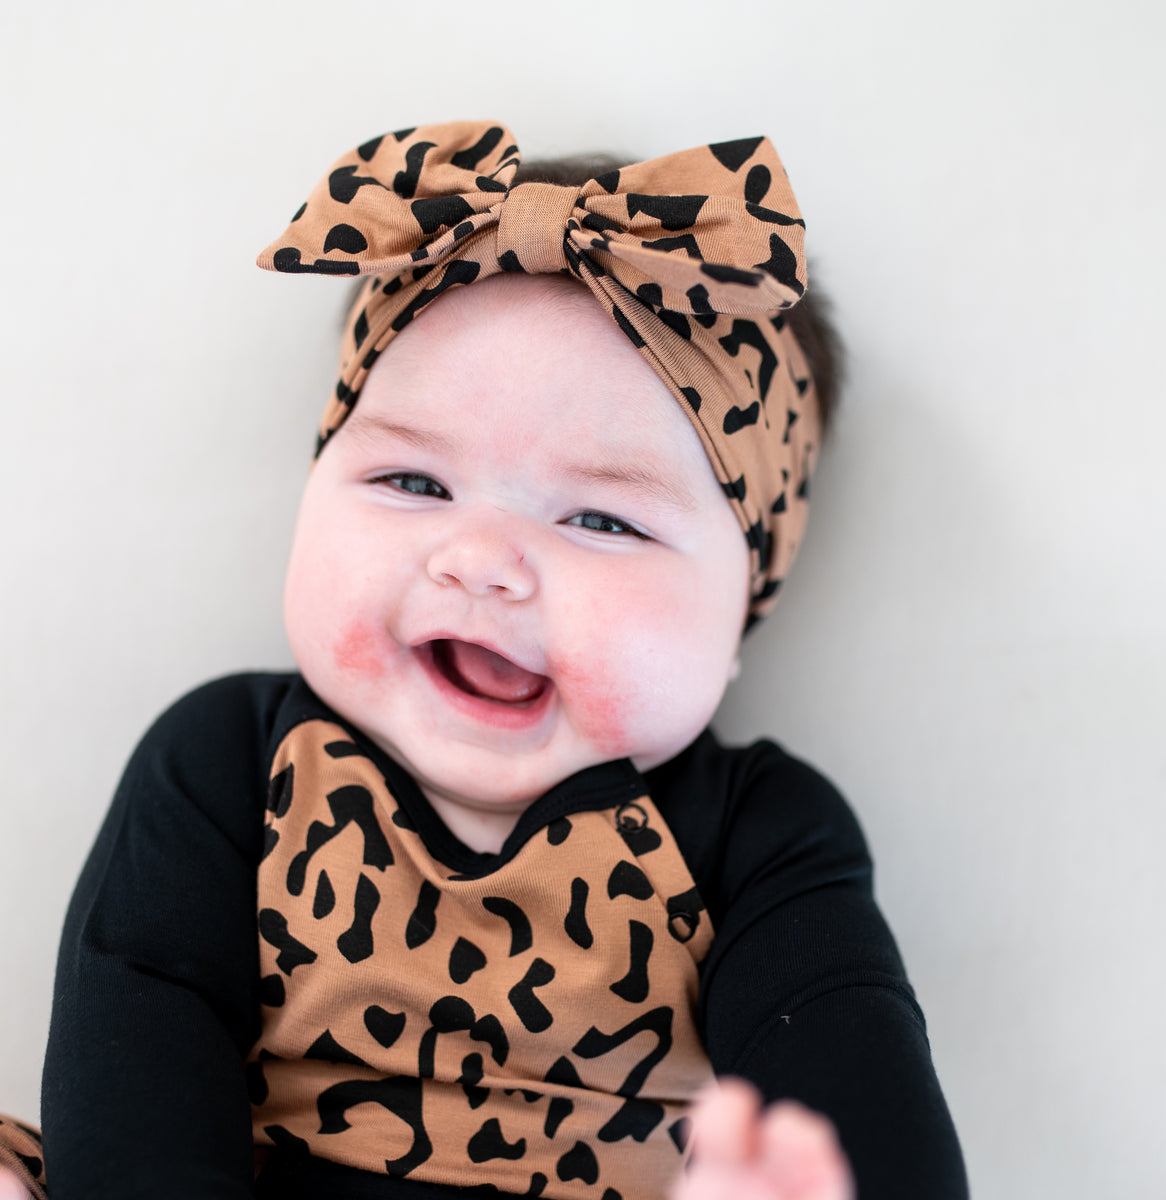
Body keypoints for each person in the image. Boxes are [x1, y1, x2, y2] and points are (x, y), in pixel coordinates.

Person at [0, 121, 968, 1200]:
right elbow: (130, 1068)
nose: (481, 561)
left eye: (602, 519)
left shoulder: (760, 839)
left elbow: (853, 1079)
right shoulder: (231, 764)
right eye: (412, 484)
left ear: (742, 613)